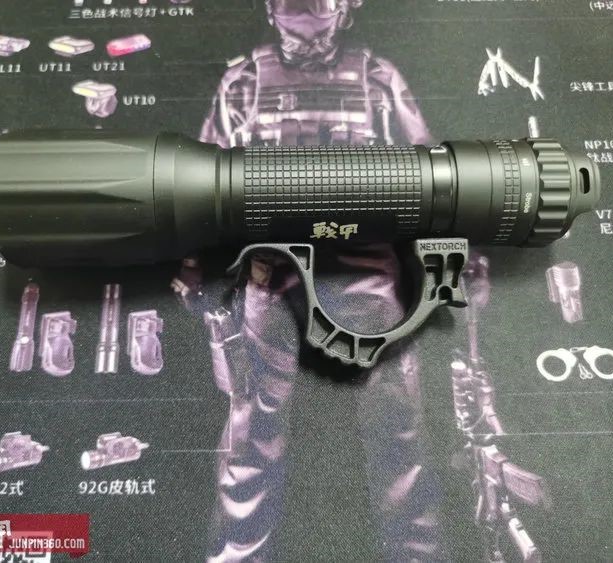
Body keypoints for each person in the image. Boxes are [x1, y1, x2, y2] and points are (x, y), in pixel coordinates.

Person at [179, 2, 442, 560]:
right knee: (253, 434)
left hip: (362, 280)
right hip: (274, 278)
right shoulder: (245, 83)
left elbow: (431, 182)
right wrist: (199, 270)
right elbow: (203, 185)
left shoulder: (376, 78)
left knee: (394, 432)